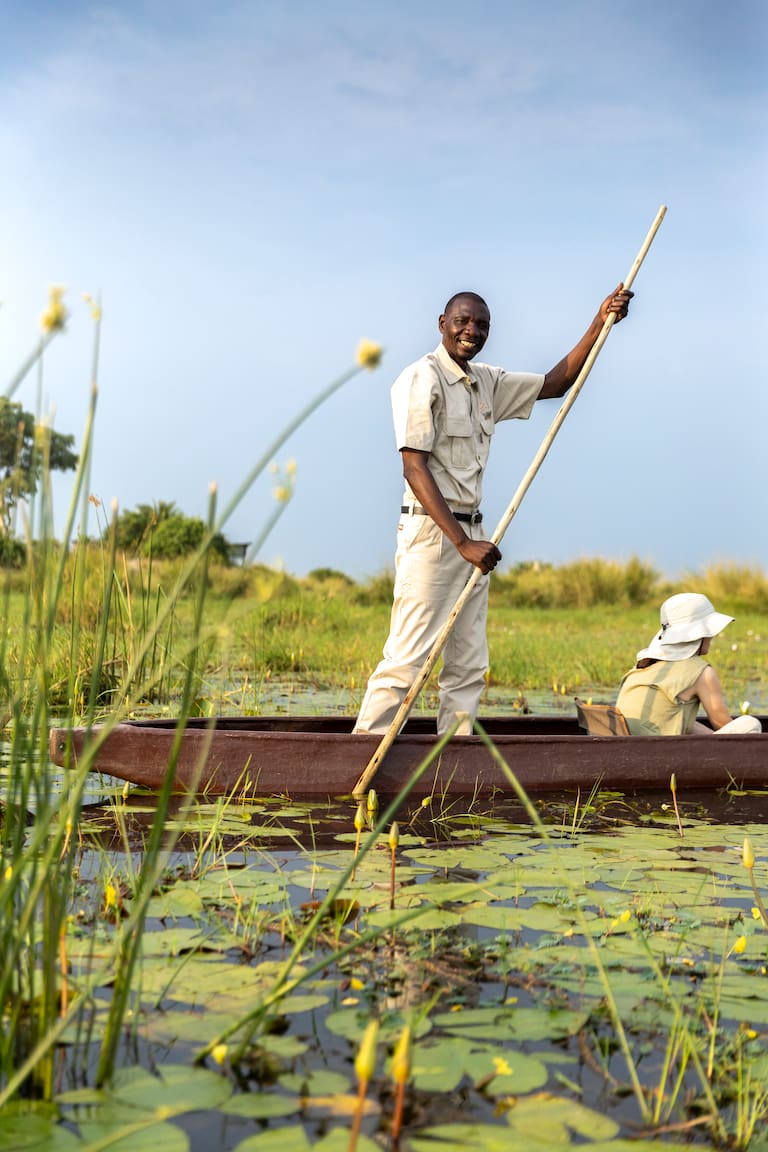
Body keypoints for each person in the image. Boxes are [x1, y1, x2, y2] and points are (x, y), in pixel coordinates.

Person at [354, 283, 633, 736]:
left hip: (476, 538)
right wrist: (461, 543)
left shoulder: (487, 381)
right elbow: (413, 466)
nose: (471, 330)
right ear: (442, 325)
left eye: (481, 324)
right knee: (406, 660)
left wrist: (601, 322)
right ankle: (360, 756)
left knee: (467, 665)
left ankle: (453, 761)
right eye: (462, 321)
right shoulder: (420, 378)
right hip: (435, 537)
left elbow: (555, 382)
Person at [615, 592, 763, 736]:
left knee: (685, 721)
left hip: (630, 745)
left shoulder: (644, 665)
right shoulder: (702, 673)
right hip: (661, 752)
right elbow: (723, 726)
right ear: (700, 634)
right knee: (750, 723)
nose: (712, 636)